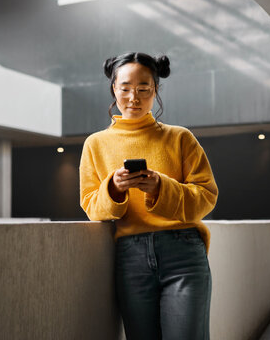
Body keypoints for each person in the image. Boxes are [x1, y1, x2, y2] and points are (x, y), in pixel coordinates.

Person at [79, 52, 218, 340]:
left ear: (156, 90)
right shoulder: (95, 144)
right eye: (125, 88)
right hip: (130, 256)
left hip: (184, 254)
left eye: (144, 89)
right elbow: (91, 206)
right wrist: (114, 188)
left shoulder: (180, 138)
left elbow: (206, 197)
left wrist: (160, 187)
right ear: (113, 89)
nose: (134, 97)